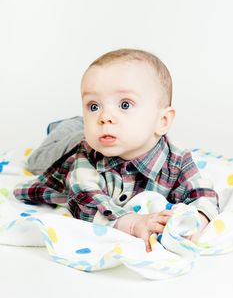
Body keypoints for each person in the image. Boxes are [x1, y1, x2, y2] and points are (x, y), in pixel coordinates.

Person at [14, 48, 219, 252]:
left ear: (162, 121)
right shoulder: (85, 155)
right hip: (68, 145)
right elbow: (84, 199)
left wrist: (197, 222)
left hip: (94, 136)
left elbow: (202, 194)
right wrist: (132, 223)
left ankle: (76, 125)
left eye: (125, 104)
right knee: (36, 162)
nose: (105, 116)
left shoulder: (177, 159)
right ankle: (65, 126)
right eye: (94, 106)